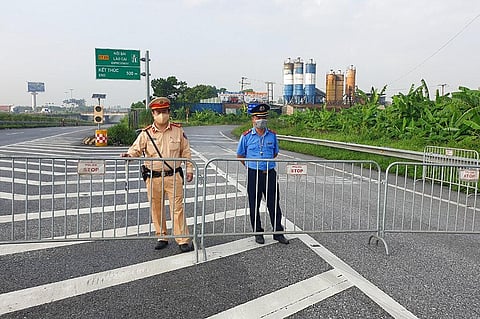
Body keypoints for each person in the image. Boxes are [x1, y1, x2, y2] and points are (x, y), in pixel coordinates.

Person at [121, 97, 194, 253]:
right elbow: (135, 149)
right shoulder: (146, 133)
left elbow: (186, 152)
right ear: (153, 114)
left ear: (169, 112)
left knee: (177, 208)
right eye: (158, 112)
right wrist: (129, 155)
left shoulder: (178, 130)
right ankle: (162, 236)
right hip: (153, 177)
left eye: (164, 112)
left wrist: (189, 169)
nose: (161, 115)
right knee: (156, 208)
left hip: (173, 175)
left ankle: (183, 239)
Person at [236, 103, 289, 245]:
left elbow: (275, 152)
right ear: (253, 118)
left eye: (264, 117)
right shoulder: (246, 136)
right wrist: (251, 166)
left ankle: (278, 232)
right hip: (254, 174)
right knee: (254, 204)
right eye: (258, 117)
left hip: (269, 174)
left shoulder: (272, 135)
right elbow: (240, 155)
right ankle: (258, 233)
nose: (261, 120)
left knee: (274, 204)